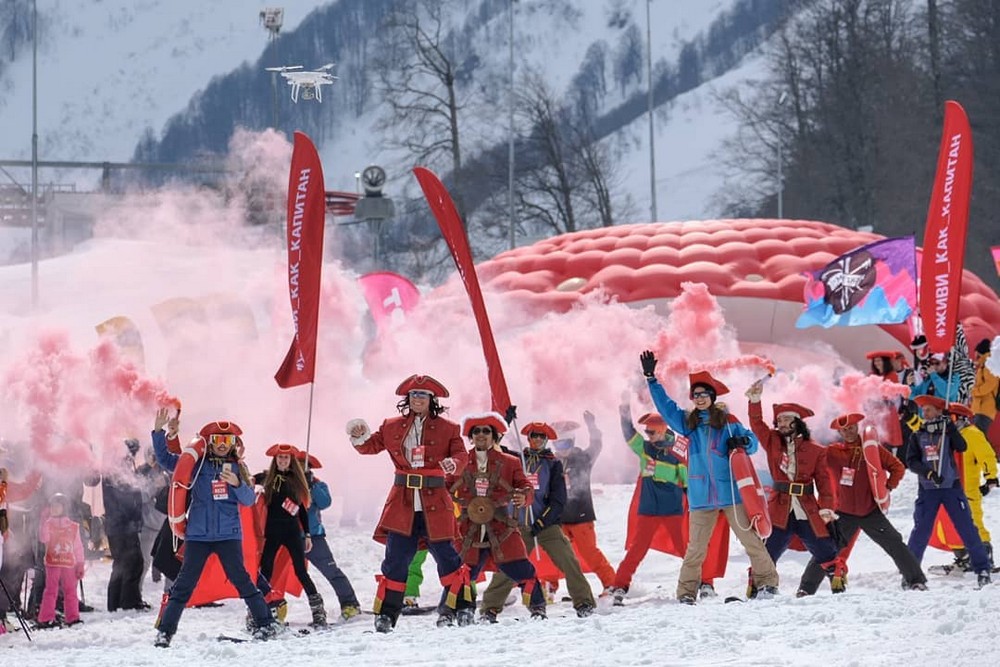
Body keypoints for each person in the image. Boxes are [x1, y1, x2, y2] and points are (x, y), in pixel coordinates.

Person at [639, 350, 779, 604]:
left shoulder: (727, 421)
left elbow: (754, 442)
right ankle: (686, 593)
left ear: (712, 397)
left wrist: (743, 441)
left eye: (704, 394)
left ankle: (768, 583)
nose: (700, 398)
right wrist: (651, 378)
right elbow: (666, 407)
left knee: (751, 541)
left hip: (731, 494)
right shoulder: (687, 423)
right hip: (701, 496)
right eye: (696, 395)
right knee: (695, 549)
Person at [347, 374, 472, 633]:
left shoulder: (449, 428)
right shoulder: (391, 425)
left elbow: (462, 454)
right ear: (408, 399)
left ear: (431, 400)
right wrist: (359, 435)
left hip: (435, 502)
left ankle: (462, 607)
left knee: (448, 558)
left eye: (422, 396)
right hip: (403, 503)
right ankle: (386, 615)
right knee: (395, 560)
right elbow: (370, 446)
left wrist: (454, 464)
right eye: (414, 395)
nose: (417, 399)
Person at [151, 414, 278, 647]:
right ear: (209, 441)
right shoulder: (197, 465)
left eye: (227, 440)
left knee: (243, 581)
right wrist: (160, 434)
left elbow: (249, 500)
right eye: (218, 439)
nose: (222, 444)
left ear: (233, 444)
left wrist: (237, 484)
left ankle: (266, 623)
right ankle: (165, 633)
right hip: (198, 536)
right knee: (183, 585)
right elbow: (167, 460)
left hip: (228, 535)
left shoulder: (238, 468)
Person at [608, 400, 727, 605]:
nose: (649, 436)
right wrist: (624, 413)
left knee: (688, 550)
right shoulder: (645, 449)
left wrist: (663, 473)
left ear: (662, 430)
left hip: (673, 510)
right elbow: (630, 435)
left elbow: (687, 481)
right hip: (649, 510)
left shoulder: (677, 453)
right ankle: (620, 585)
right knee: (637, 550)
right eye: (647, 433)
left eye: (652, 432)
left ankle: (706, 583)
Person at [797, 413, 927, 593]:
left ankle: (916, 581)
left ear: (857, 427)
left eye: (851, 427)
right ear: (840, 432)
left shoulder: (872, 449)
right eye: (844, 430)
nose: (848, 432)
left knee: (895, 543)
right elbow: (814, 457)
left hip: (870, 512)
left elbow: (897, 467)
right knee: (826, 550)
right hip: (843, 514)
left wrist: (887, 487)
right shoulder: (832, 452)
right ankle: (805, 589)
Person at [479, 421, 597, 618]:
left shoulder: (553, 464)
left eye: (542, 437)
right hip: (519, 524)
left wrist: (542, 521)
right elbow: (496, 448)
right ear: (529, 438)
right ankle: (490, 607)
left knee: (569, 561)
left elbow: (558, 499)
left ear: (547, 440)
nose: (538, 440)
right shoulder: (517, 459)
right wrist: (503, 424)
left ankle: (584, 602)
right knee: (509, 565)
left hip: (545, 525)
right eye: (534, 436)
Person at [746, 385, 845, 596]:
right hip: (779, 506)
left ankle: (837, 581)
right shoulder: (772, 441)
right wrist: (755, 400)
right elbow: (756, 424)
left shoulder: (816, 449)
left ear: (797, 422)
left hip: (806, 507)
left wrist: (827, 508)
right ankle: (758, 587)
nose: (781, 424)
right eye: (778, 421)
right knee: (768, 550)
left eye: (785, 420)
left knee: (824, 548)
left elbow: (824, 482)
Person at [450, 412, 547, 623]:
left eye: (486, 431)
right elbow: (445, 488)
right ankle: (457, 612)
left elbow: (526, 486)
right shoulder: (460, 462)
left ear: (494, 437)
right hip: (469, 528)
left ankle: (537, 607)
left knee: (522, 568)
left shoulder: (510, 462)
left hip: (502, 526)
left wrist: (524, 496)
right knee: (462, 573)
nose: (481, 435)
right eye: (476, 431)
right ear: (471, 437)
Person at [905, 395, 992, 588]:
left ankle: (982, 568)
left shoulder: (947, 431)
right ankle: (911, 574)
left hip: (951, 488)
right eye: (923, 411)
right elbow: (911, 461)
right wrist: (927, 472)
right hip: (928, 490)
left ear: (938, 411)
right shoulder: (918, 434)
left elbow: (962, 446)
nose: (924, 414)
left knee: (967, 528)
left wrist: (951, 428)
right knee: (921, 531)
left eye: (928, 410)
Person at [541, 411, 616, 597]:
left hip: (581, 515)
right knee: (554, 552)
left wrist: (592, 426)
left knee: (589, 552)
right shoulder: (550, 462)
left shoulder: (582, 458)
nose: (561, 448)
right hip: (559, 517)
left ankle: (611, 584)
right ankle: (549, 586)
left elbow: (597, 445)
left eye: (565, 443)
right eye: (558, 444)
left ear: (572, 442)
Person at [253, 443, 326, 627]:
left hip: (292, 532)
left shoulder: (297, 480)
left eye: (286, 458)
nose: (283, 460)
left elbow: (302, 510)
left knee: (301, 571)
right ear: (275, 460)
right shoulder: (267, 477)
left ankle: (318, 611)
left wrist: (307, 534)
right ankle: (257, 611)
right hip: (272, 532)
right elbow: (247, 481)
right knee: (266, 571)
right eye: (280, 457)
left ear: (291, 461)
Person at [295, 450, 362, 621]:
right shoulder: (288, 483)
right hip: (289, 537)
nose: (301, 469)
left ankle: (350, 604)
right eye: (298, 465)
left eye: (305, 466)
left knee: (332, 571)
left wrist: (313, 487)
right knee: (275, 574)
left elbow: (325, 503)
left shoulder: (318, 484)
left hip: (314, 537)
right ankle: (273, 606)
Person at [945, 404, 998, 570]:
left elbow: (986, 454)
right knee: (951, 524)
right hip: (950, 488)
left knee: (974, 522)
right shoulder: (949, 436)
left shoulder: (972, 434)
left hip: (968, 489)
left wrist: (990, 478)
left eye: (952, 419)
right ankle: (964, 556)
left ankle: (985, 557)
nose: (949, 423)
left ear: (961, 418)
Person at [102, 438, 147, 612]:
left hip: (119, 523)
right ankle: (128, 602)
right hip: (122, 524)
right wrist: (133, 517)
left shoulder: (116, 467)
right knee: (131, 562)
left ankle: (118, 602)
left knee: (123, 563)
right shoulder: (117, 469)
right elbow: (125, 497)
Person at [34, 493, 85, 628]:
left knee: (70, 590)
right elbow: (43, 539)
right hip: (53, 562)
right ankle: (46, 617)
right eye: (52, 506)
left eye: (58, 506)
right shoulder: (48, 524)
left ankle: (72, 617)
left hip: (69, 563)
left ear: (64, 508)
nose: (54, 509)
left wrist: (80, 564)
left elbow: (78, 546)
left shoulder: (73, 526)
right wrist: (44, 522)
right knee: (51, 590)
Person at [971, 338, 998, 440]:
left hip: (985, 408)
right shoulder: (984, 366)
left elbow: (990, 384)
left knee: (980, 438)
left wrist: (975, 392)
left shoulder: (989, 366)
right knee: (980, 437)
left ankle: (991, 456)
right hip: (980, 408)